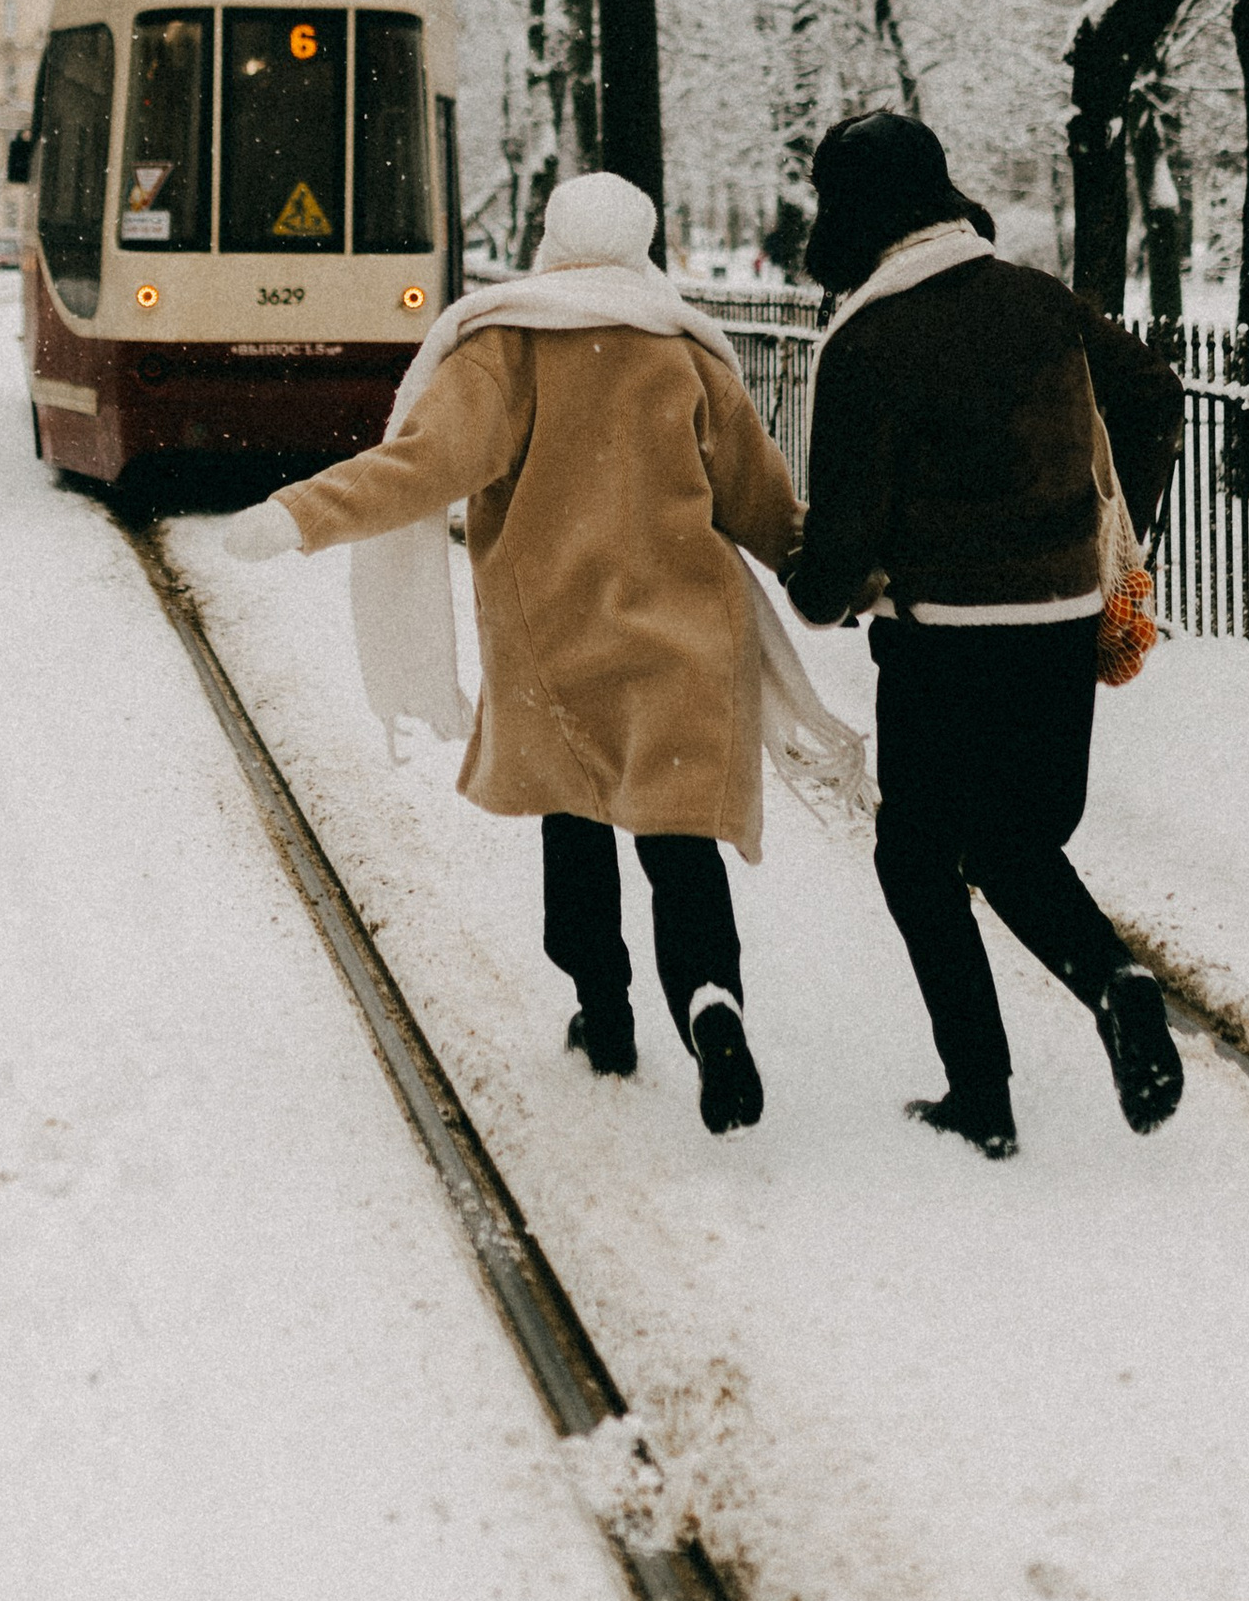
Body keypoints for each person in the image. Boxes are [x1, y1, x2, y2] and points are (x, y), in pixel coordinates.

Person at [225, 171, 827, 1133]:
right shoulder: (687, 350)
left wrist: (299, 512)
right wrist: (852, 579)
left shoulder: (508, 341)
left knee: (575, 826)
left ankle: (606, 1011)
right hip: (688, 637)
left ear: (552, 238)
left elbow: (422, 466)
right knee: (681, 846)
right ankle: (714, 1006)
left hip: (556, 639)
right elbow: (760, 503)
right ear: (642, 242)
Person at [786, 112, 1186, 1158]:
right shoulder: (1037, 300)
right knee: (1014, 841)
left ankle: (982, 1097)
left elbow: (836, 550)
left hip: (942, 641)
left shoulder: (866, 338)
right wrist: (1104, 521)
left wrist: (817, 589)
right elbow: (1152, 389)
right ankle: (1117, 983)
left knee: (916, 858)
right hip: (1056, 626)